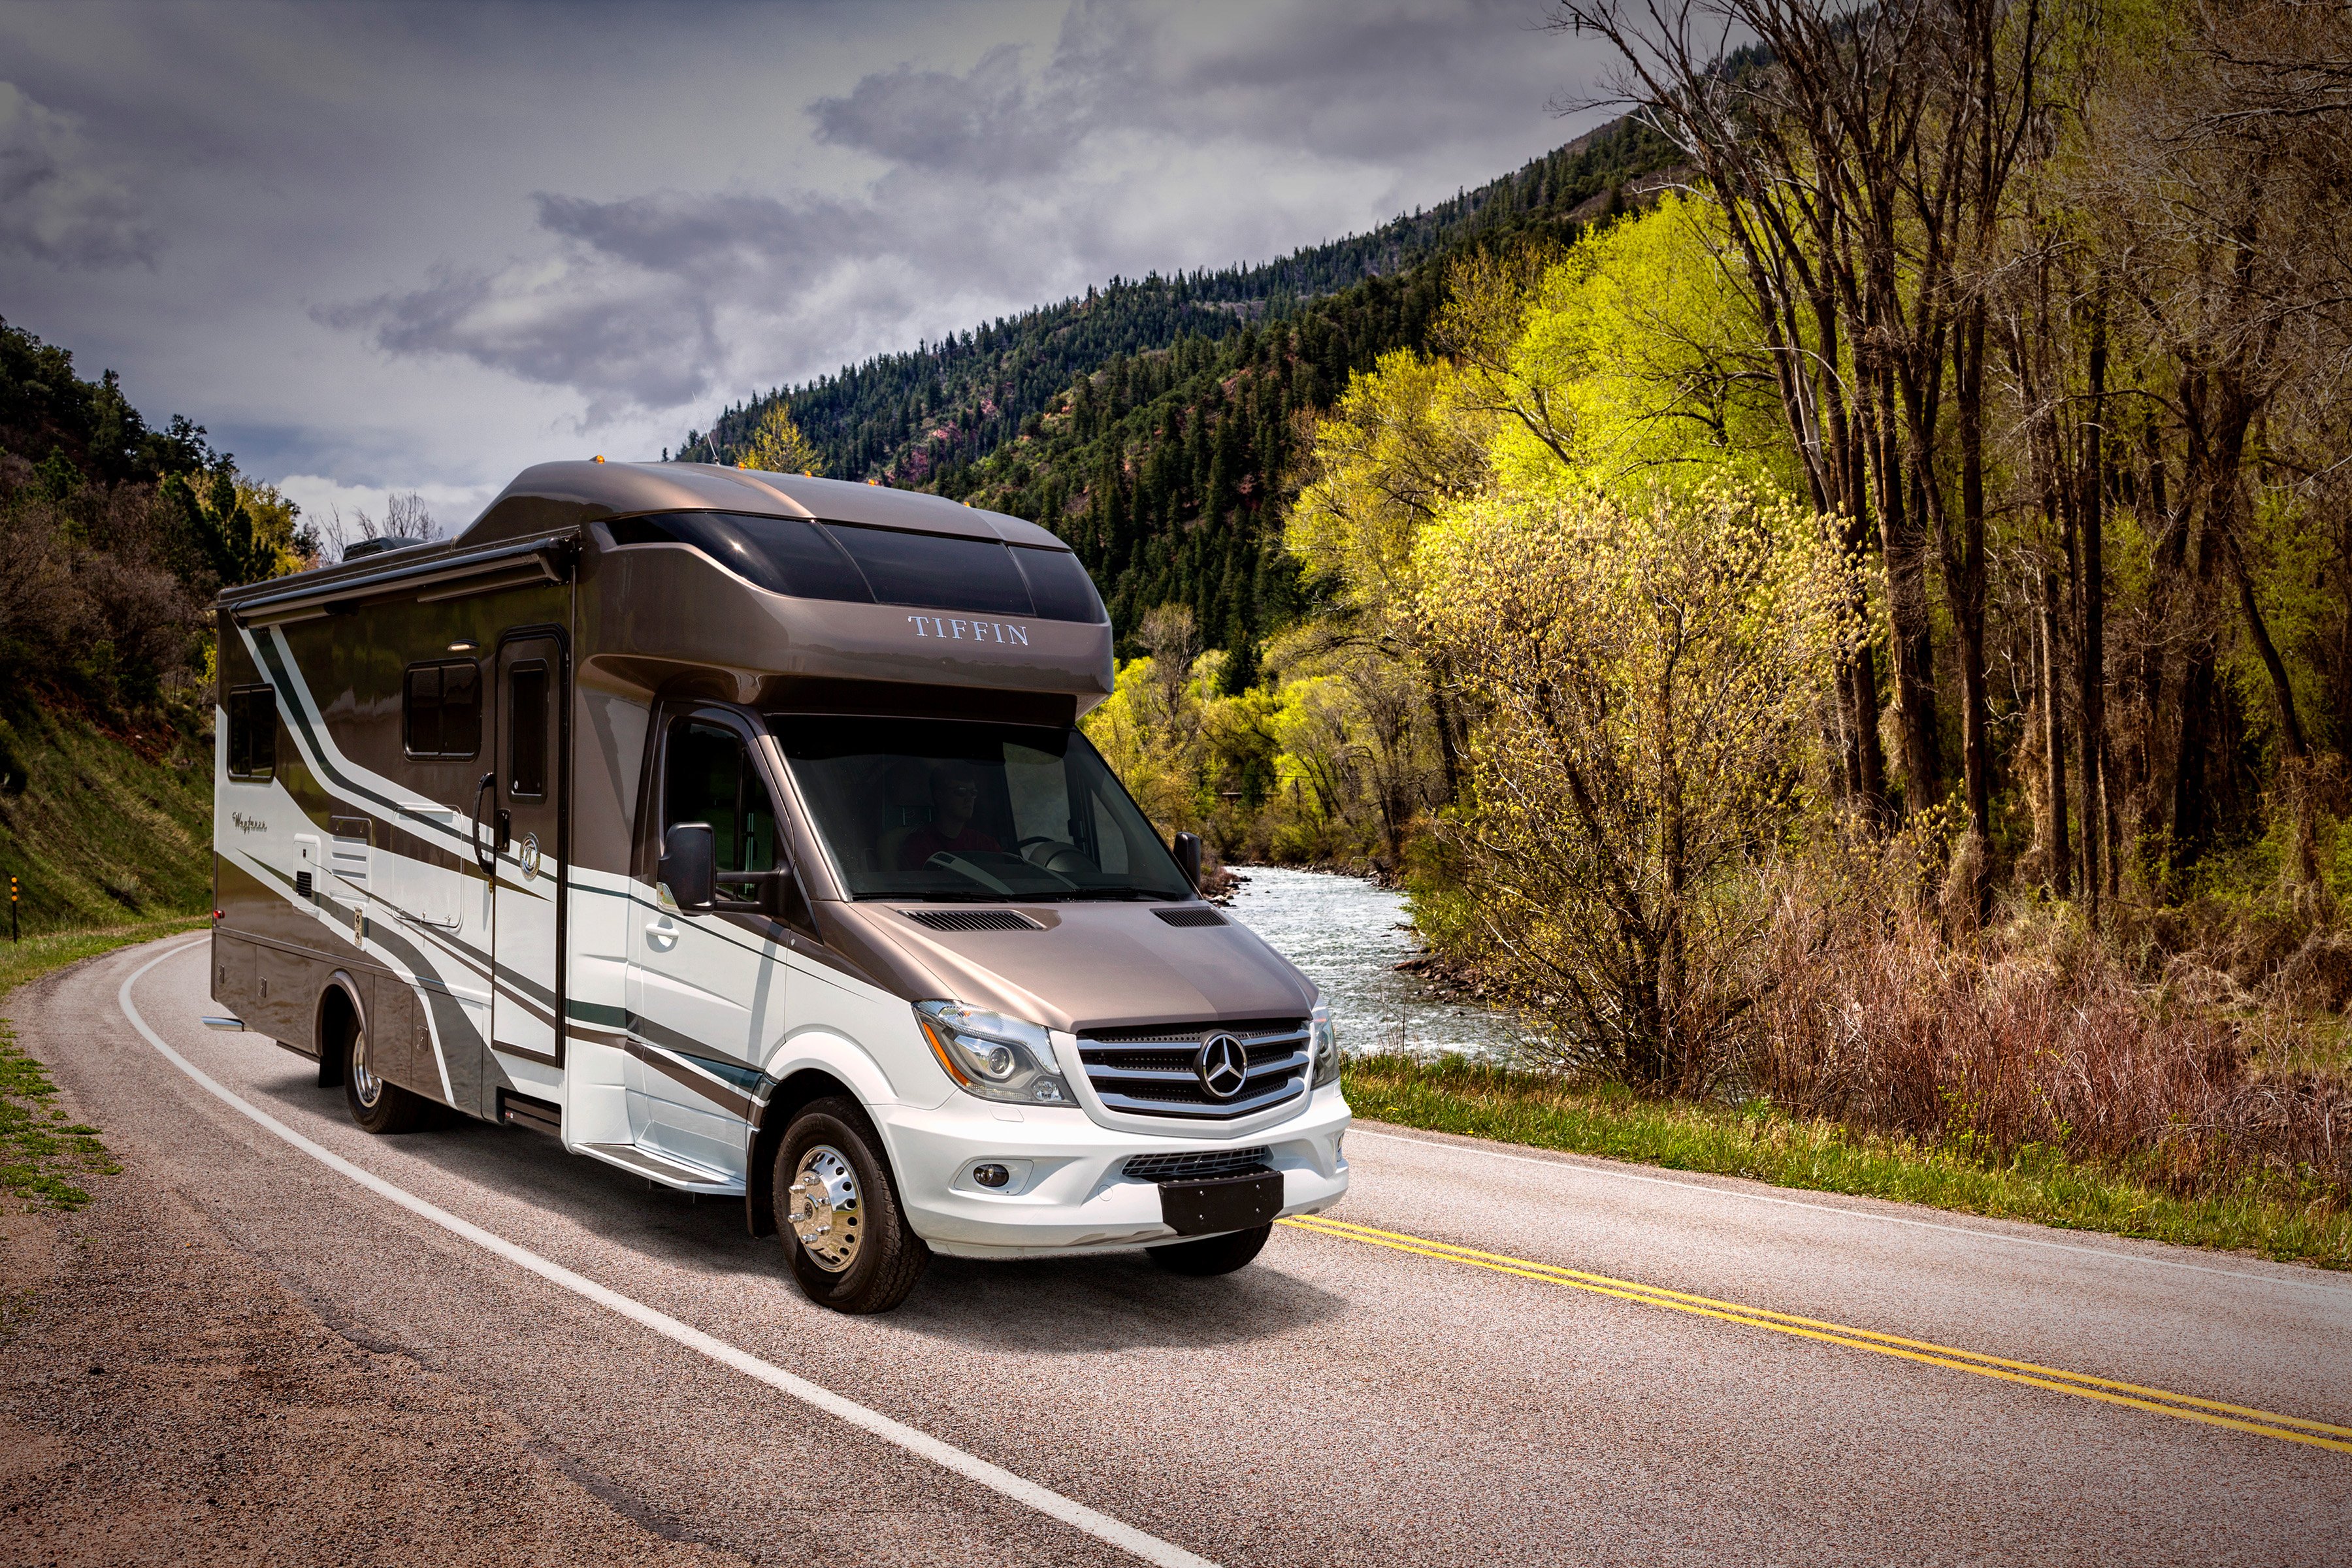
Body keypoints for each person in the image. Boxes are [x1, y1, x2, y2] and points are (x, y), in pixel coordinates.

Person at [898, 767, 1000, 870]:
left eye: (973, 793)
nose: (969, 798)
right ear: (939, 796)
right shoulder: (919, 845)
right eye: (961, 791)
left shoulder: (986, 845)